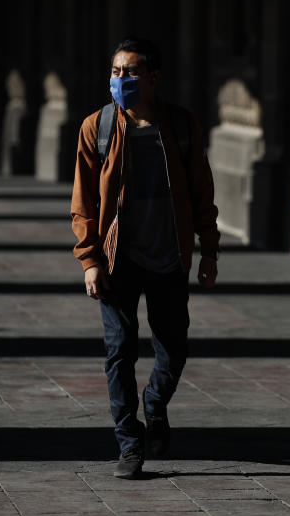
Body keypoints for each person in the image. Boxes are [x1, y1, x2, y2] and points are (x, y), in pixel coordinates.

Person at [71, 37, 220, 479]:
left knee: (173, 350)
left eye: (131, 72)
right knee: (119, 352)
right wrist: (90, 260)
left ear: (154, 78)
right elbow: (83, 202)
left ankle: (154, 405)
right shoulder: (95, 128)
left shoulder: (180, 126)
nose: (121, 80)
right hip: (118, 260)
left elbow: (200, 193)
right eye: (115, 72)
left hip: (168, 257)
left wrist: (209, 249)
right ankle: (129, 443)